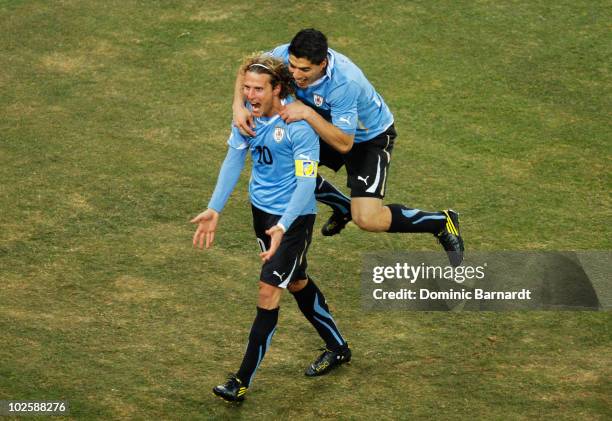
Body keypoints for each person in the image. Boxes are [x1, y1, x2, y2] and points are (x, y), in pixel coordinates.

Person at [191, 54, 351, 403]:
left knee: (268, 291)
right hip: (262, 216)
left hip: (292, 221)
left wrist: (283, 224)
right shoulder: (246, 119)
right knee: (295, 281)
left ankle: (240, 381)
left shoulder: (298, 127)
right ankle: (338, 347)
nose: (250, 94)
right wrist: (214, 209)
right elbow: (233, 161)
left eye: (258, 89)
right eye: (246, 88)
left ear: (277, 88)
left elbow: (307, 185)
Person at [233, 29, 464, 266]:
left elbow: (344, 143)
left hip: (368, 138)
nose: (295, 74)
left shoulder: (345, 81)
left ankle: (440, 221)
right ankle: (341, 206)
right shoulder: (283, 55)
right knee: (286, 167)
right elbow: (248, 68)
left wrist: (307, 113)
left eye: (304, 70)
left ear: (322, 64)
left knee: (367, 219)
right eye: (292, 66)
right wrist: (238, 108)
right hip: (326, 122)